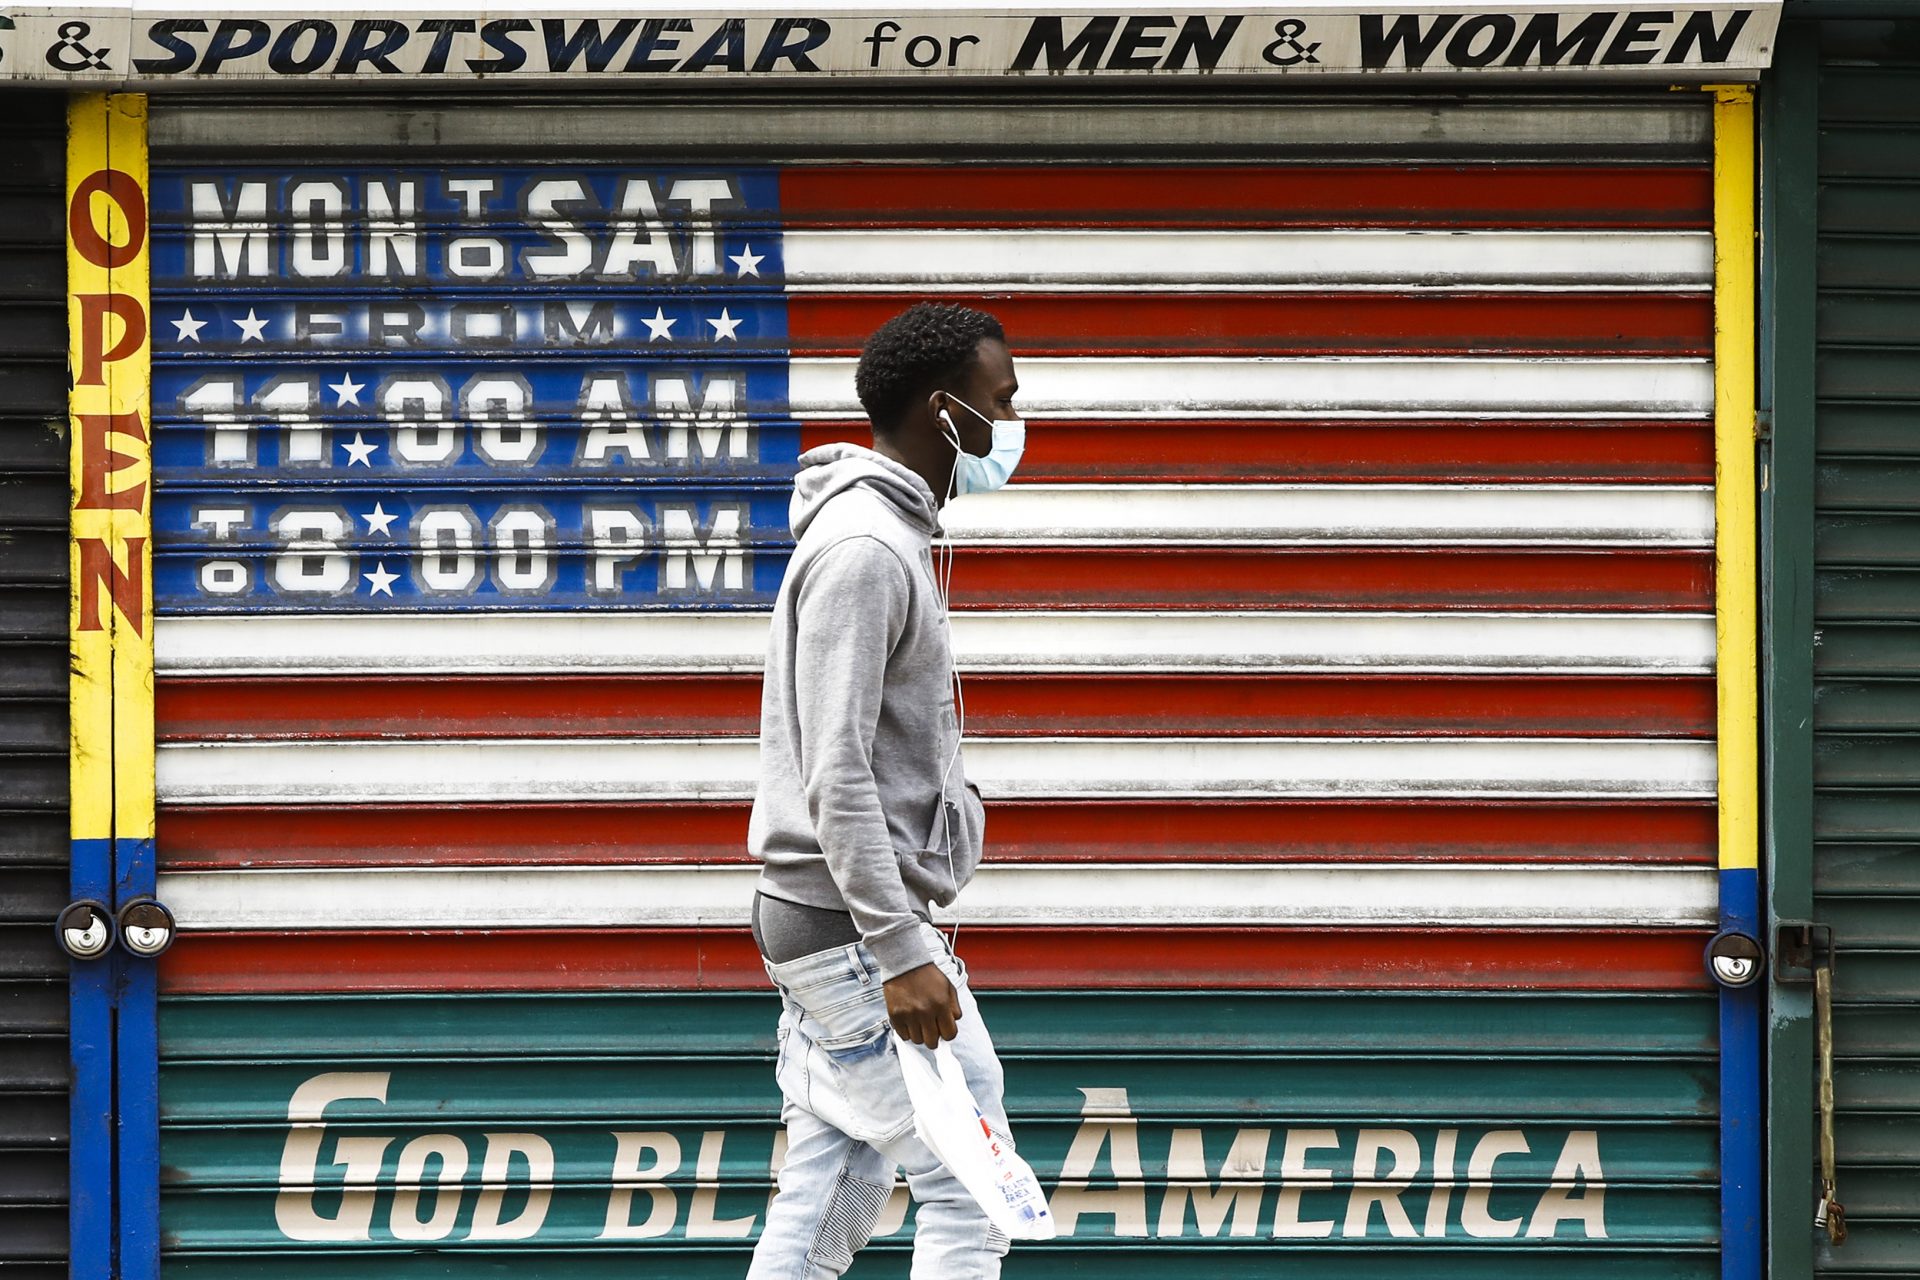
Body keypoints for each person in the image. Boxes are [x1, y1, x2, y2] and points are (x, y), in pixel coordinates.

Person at [744, 302, 1026, 1279]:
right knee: (974, 1186)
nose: (1013, 424)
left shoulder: (893, 537)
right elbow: (837, 766)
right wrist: (902, 948)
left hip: (835, 918)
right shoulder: (866, 549)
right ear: (945, 412)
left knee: (832, 1194)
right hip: (853, 925)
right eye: (1002, 401)